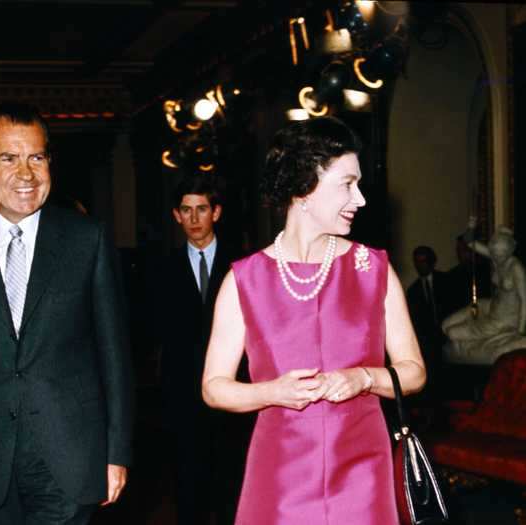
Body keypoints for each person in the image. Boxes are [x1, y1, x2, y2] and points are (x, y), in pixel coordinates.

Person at [201, 116, 426, 525]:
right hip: (280, 472)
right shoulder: (244, 279)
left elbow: (414, 373)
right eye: (347, 184)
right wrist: (273, 391)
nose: (360, 199)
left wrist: (364, 378)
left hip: (364, 471)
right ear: (304, 186)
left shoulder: (373, 269)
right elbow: (215, 388)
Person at [0, 102, 133, 525]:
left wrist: (117, 452)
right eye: (9, 158)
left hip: (70, 456)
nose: (26, 173)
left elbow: (115, 354)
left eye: (36, 157)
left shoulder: (86, 240)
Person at [155, 175, 246, 525]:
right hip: (183, 396)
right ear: (177, 215)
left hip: (236, 393)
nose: (194, 219)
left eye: (202, 210)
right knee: (188, 490)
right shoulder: (161, 268)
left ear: (217, 212)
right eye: (186, 211)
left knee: (232, 488)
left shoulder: (244, 264)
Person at [442, 224, 526, 364]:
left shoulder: (516, 268)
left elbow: (525, 300)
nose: (497, 258)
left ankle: (468, 347)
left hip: (502, 321)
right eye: (495, 254)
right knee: (445, 325)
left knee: (451, 333)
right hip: (490, 306)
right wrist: (471, 226)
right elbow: (470, 242)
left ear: (509, 251)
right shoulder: (496, 255)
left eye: (501, 255)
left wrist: (520, 331)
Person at [405, 245, 450, 401]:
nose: (420, 265)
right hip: (429, 345)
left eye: (423, 261)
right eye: (416, 262)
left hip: (451, 335)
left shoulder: (447, 281)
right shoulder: (412, 291)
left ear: (432, 262)